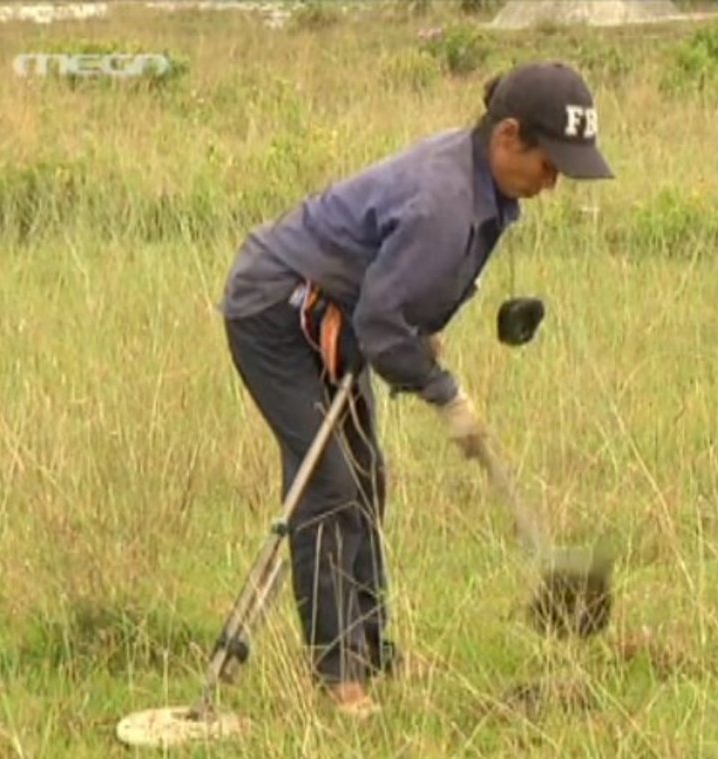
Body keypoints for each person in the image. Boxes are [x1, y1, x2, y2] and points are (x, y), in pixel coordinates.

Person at [217, 60, 614, 717]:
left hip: (335, 308)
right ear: (509, 136)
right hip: (277, 309)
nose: (554, 182)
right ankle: (339, 679)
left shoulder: (486, 184)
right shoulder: (445, 202)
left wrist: (418, 333)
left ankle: (372, 648)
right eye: (550, 164)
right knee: (328, 485)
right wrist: (446, 393)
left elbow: (390, 300)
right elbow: (380, 327)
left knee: (366, 476)